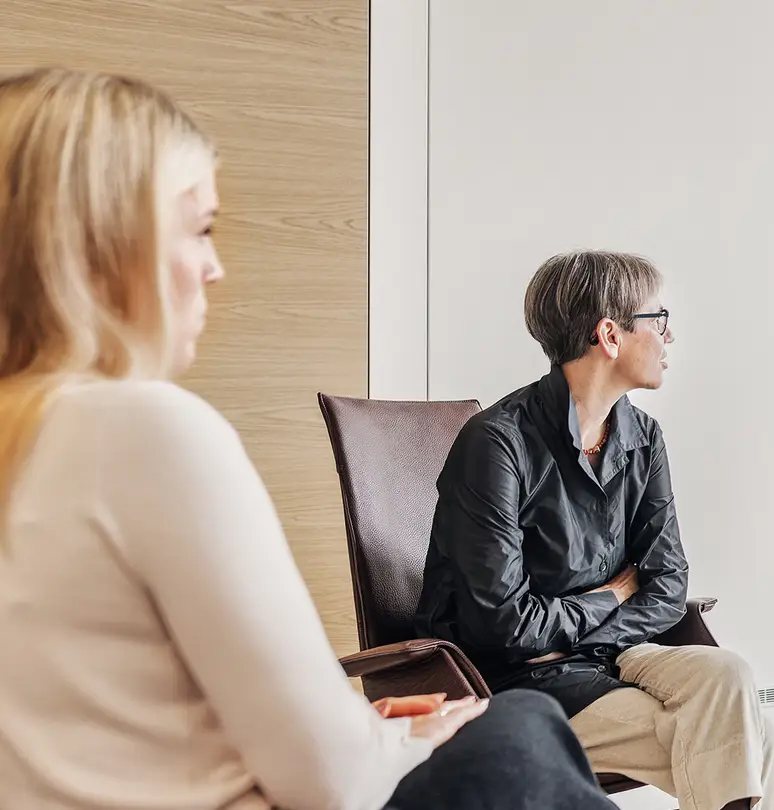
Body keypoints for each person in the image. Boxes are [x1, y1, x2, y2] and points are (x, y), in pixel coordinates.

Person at [0, 68, 612, 810]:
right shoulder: (140, 430)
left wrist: (362, 732)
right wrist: (384, 745)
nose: (215, 268)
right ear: (103, 245)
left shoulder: (30, 440)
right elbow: (333, 782)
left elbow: (111, 735)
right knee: (521, 725)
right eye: (199, 229)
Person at [416, 250, 774, 810]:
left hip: (608, 652)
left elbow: (667, 584)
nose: (669, 336)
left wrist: (583, 628)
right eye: (658, 319)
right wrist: (612, 595)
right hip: (518, 682)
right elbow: (505, 627)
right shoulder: (496, 445)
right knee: (741, 733)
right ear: (610, 335)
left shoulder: (643, 436)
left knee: (729, 675)